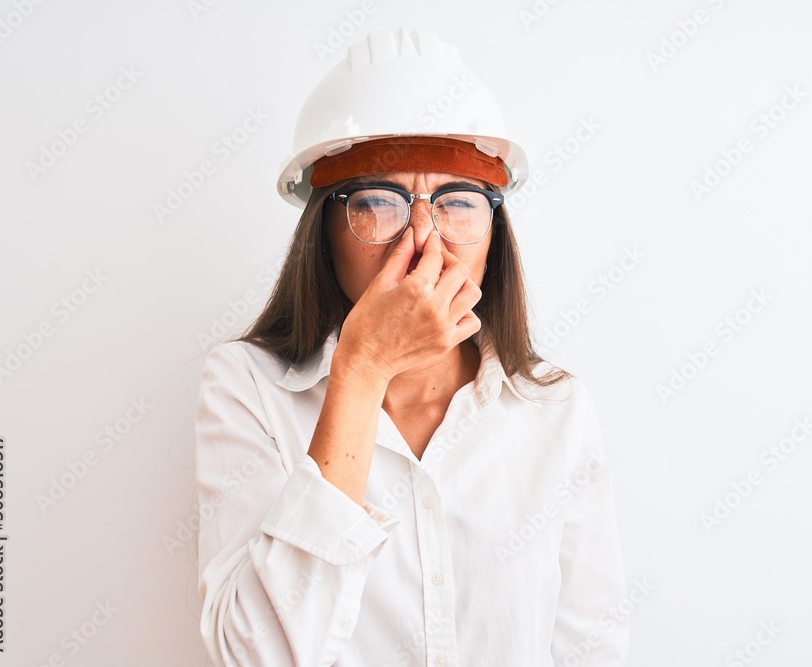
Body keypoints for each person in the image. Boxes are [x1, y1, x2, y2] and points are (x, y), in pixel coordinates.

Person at [195, 28, 629, 666]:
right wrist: (363, 370)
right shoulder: (246, 388)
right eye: (377, 201)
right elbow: (255, 656)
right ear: (323, 232)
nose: (424, 238)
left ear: (494, 232)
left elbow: (591, 646)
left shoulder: (555, 409)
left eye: (457, 202)